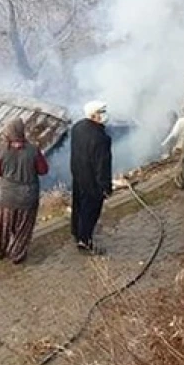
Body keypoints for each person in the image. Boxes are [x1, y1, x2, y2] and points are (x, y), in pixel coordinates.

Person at [0, 117, 49, 264]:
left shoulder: (1, 151)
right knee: (23, 229)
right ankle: (17, 254)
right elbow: (43, 170)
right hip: (28, 198)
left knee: (2, 227)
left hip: (7, 197)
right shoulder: (33, 151)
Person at [70, 101, 112, 254]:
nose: (104, 115)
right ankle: (84, 241)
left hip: (78, 175)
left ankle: (76, 231)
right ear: (94, 115)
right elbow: (103, 166)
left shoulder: (77, 127)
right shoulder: (101, 138)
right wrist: (105, 187)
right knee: (90, 211)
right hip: (93, 182)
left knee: (78, 206)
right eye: (102, 112)